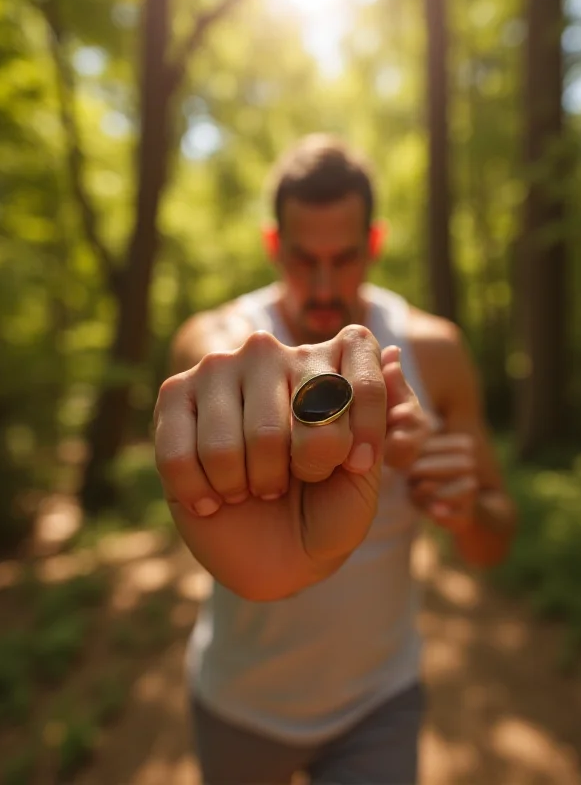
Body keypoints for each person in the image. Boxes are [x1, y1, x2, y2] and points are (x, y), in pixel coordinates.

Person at [153, 134, 518, 785]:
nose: (323, 285)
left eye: (344, 258)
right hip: (239, 703)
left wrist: (463, 510)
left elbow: (496, 538)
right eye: (303, 259)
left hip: (379, 703)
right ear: (274, 246)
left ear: (374, 245)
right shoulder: (225, 341)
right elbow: (208, 359)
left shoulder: (434, 353)